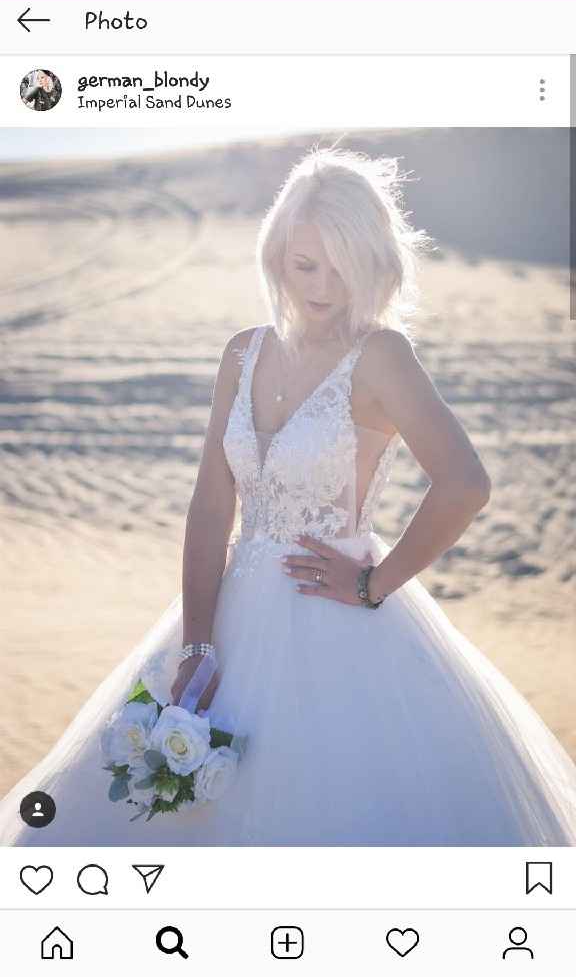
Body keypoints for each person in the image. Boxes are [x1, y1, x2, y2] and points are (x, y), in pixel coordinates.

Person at [1, 147, 575, 847]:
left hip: (340, 622)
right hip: (230, 617)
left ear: (372, 261)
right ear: (276, 255)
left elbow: (466, 484)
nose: (323, 286)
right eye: (307, 265)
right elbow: (213, 504)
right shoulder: (242, 353)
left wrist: (375, 583)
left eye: (342, 266)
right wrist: (199, 643)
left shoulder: (381, 355)